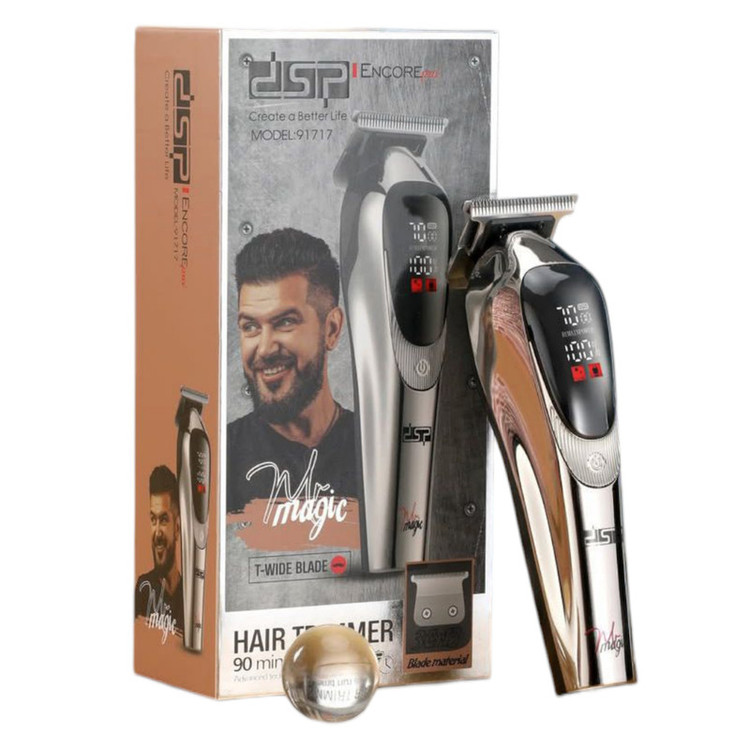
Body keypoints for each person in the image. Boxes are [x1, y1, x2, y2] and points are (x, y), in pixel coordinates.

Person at [227, 228, 358, 514]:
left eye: (285, 322)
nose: (264, 349)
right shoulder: (221, 459)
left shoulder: (376, 449)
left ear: (331, 329)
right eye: (250, 326)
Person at [135, 465, 184, 633]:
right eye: (152, 519)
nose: (157, 533)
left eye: (163, 520)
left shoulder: (189, 596)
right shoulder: (143, 589)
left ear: (177, 528)